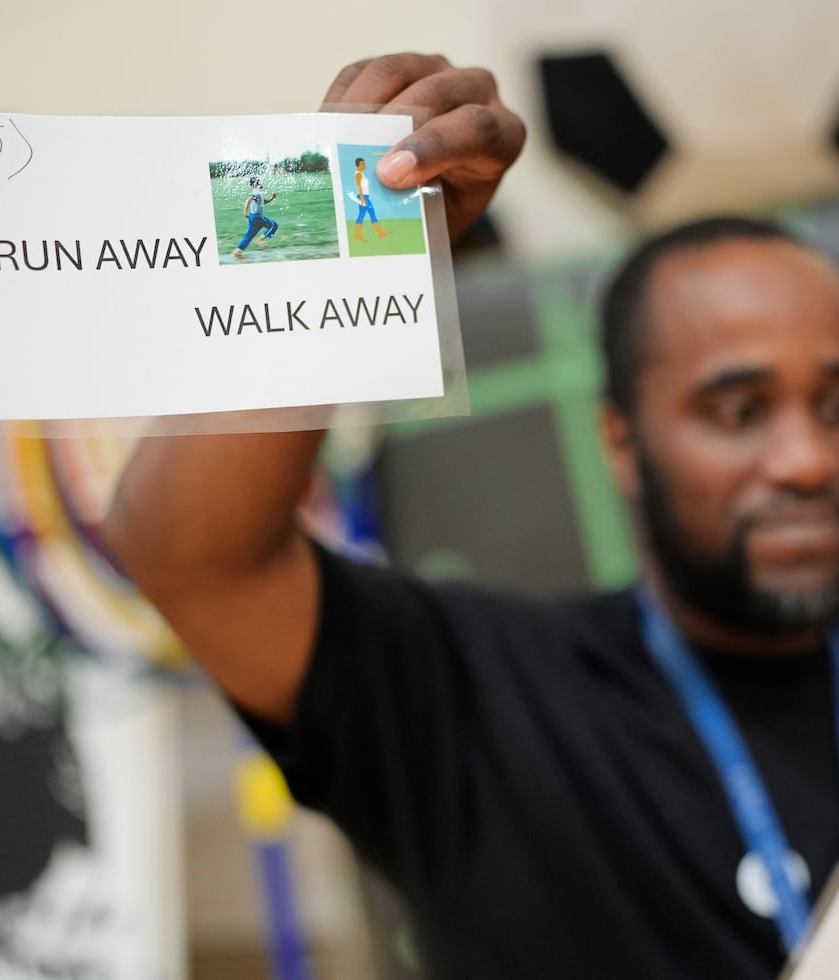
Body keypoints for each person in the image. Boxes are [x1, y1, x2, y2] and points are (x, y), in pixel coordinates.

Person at [104, 53, 839, 980]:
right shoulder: (484, 698)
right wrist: (328, 228)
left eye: (836, 409)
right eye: (738, 412)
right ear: (620, 439)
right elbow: (187, 554)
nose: (809, 461)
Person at [234, 175, 278, 258]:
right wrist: (244, 212)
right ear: (256, 183)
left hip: (253, 217)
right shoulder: (256, 192)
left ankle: (238, 251)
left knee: (249, 235)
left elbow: (263, 202)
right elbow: (248, 200)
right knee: (273, 225)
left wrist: (272, 198)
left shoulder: (258, 192)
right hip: (257, 217)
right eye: (260, 181)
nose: (262, 182)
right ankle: (260, 240)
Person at [353, 157, 392, 241]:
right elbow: (359, 186)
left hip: (365, 197)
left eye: (364, 163)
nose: (364, 165)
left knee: (367, 214)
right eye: (363, 163)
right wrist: (362, 198)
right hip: (363, 197)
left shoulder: (361, 173)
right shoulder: (358, 174)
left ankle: (380, 233)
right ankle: (358, 234)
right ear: (358, 165)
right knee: (364, 214)